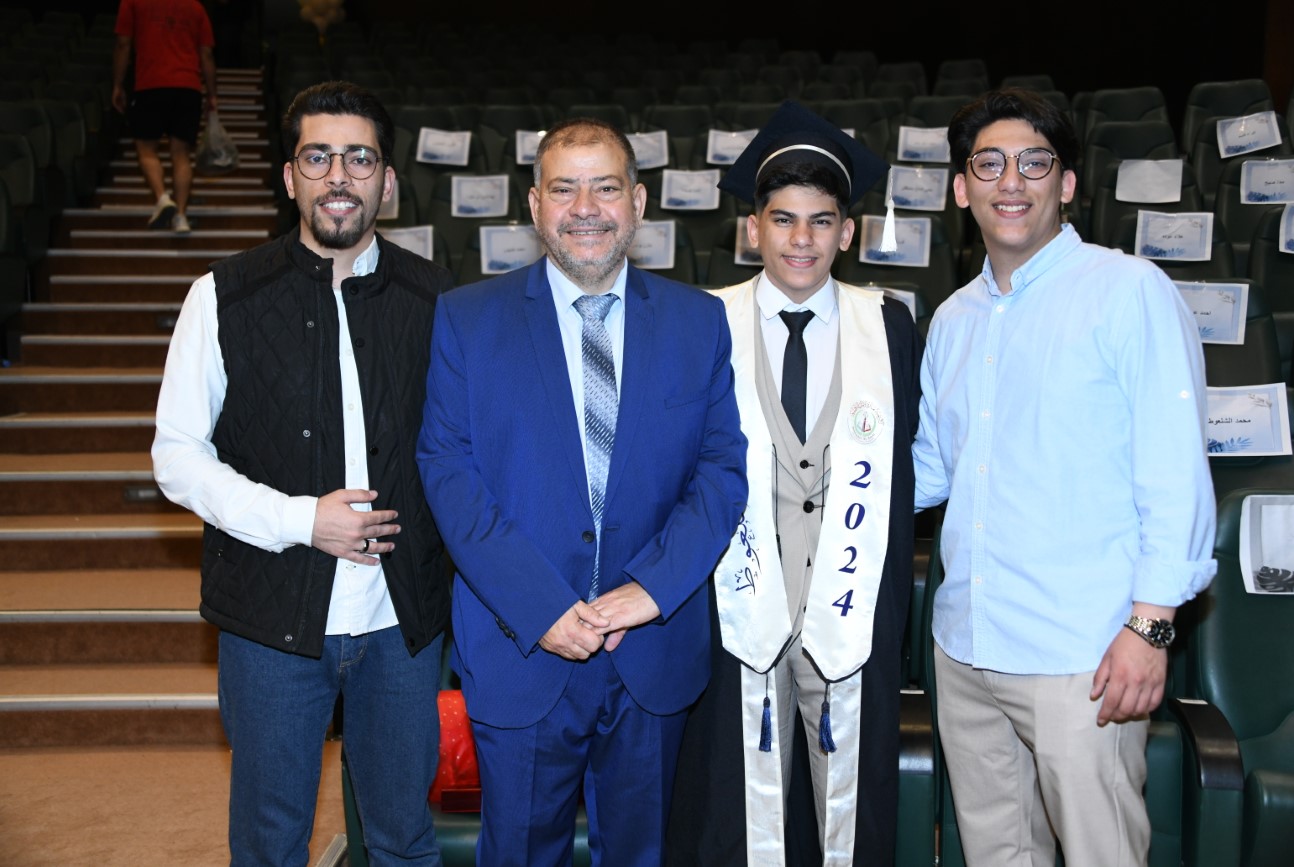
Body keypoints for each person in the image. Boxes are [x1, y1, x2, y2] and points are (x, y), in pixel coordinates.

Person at [416, 117, 748, 867]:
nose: (586, 208)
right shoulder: (467, 319)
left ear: (638, 202)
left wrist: (651, 589)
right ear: (535, 206)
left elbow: (721, 470)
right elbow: (448, 470)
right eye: (564, 189)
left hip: (652, 650)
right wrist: (540, 607)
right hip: (520, 648)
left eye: (605, 188)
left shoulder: (699, 321)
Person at [912, 88, 1217, 866]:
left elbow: (1175, 473)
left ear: (1067, 184)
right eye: (989, 164)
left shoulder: (1128, 290)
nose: (1011, 181)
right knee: (997, 854)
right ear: (962, 188)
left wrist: (1150, 629)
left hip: (1083, 655)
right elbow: (930, 470)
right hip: (966, 647)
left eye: (1035, 163)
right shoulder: (952, 320)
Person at [152, 81, 453, 866]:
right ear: (290, 177)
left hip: (402, 623)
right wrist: (300, 519)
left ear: (387, 181)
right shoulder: (222, 296)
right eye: (318, 157)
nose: (339, 176)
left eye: (360, 158)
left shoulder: (439, 300)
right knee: (270, 844)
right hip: (271, 618)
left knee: (404, 840)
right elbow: (176, 455)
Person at [666, 100, 923, 866]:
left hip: (851, 614)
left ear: (848, 232)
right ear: (753, 230)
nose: (801, 239)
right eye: (782, 220)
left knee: (852, 816)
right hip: (740, 612)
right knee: (737, 817)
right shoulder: (704, 323)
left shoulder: (890, 327)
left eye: (820, 221)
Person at [112, 0, 219, 234]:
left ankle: (162, 198)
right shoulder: (195, 7)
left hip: (149, 84)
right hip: (187, 88)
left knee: (146, 149)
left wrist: (118, 84)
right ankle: (180, 216)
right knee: (181, 154)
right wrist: (212, 94)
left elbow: (123, 43)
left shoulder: (133, 2)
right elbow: (207, 54)